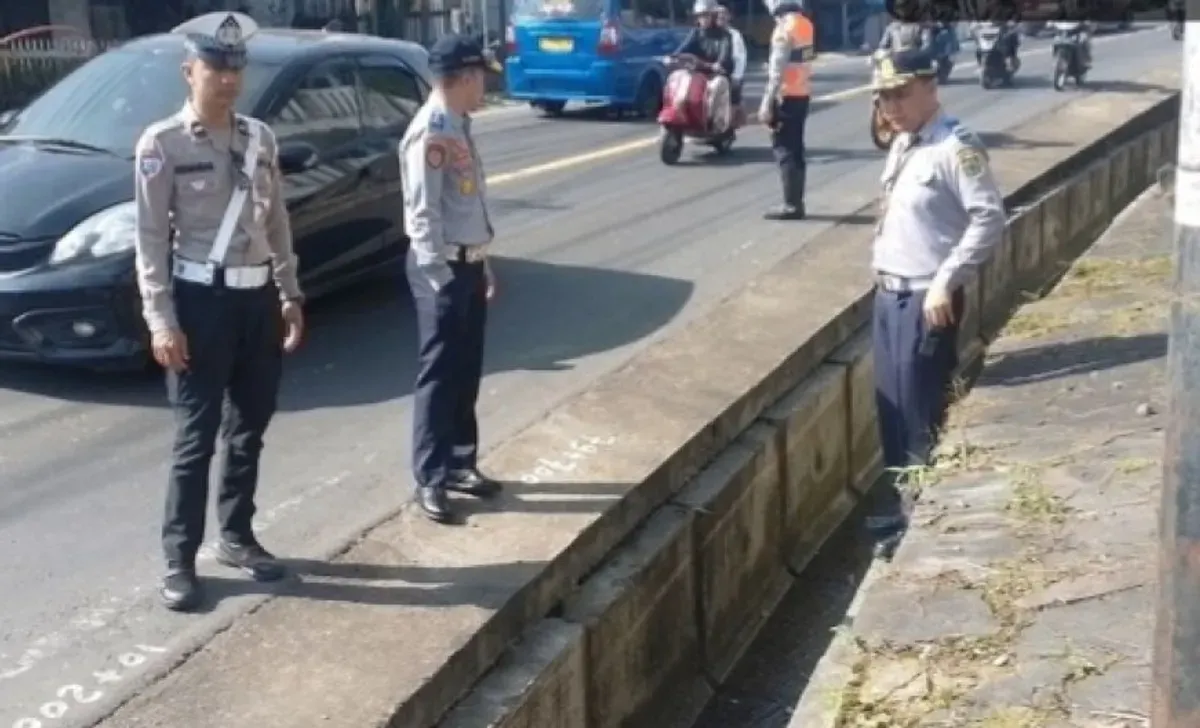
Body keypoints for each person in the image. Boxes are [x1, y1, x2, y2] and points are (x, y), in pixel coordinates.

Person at [133, 12, 305, 612]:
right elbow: (151, 240)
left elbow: (276, 220)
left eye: (236, 68)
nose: (229, 80)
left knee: (249, 426)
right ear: (190, 71)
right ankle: (179, 559)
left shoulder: (260, 138)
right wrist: (161, 320)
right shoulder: (162, 145)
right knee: (195, 437)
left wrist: (289, 292)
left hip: (256, 299)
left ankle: (237, 536)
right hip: (199, 302)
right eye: (216, 68)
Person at [867, 49, 1005, 558]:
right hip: (889, 295)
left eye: (901, 93)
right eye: (883, 97)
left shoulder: (955, 146)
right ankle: (904, 506)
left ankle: (921, 520)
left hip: (927, 298)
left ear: (931, 86)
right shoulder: (904, 142)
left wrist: (948, 280)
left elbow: (989, 218)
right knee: (892, 413)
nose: (891, 106)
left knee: (921, 413)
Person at [401, 34, 504, 524]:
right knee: (440, 375)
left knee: (466, 367)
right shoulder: (434, 131)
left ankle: (462, 462)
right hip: (439, 269)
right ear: (463, 78)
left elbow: (467, 206)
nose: (485, 84)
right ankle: (431, 476)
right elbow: (422, 215)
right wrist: (441, 278)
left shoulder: (459, 123)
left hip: (466, 262)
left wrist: (481, 263)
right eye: (481, 76)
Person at [759, 0, 814, 220]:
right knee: (796, 150)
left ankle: (792, 206)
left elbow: (776, 72)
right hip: (802, 94)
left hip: (785, 97)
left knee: (785, 151)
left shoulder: (784, 29)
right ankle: (796, 202)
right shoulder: (805, 25)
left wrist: (766, 102)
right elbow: (804, 60)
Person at [715, 5, 746, 107]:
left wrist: (736, 76)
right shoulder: (710, 33)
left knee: (733, 105)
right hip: (714, 73)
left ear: (728, 17)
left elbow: (740, 57)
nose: (721, 18)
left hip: (731, 74)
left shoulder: (734, 34)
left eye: (724, 15)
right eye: (718, 15)